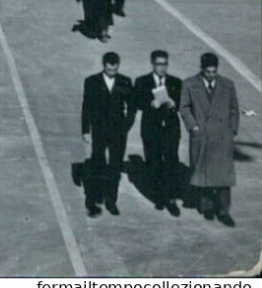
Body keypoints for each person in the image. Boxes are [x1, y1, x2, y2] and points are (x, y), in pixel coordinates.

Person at [179, 52, 240, 226]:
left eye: (214, 72)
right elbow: (184, 107)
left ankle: (223, 211)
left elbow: (234, 110)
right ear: (202, 69)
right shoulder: (190, 84)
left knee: (223, 177)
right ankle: (206, 207)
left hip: (222, 137)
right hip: (202, 135)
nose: (211, 75)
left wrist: (232, 131)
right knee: (203, 174)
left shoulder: (228, 85)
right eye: (208, 72)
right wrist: (194, 127)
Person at [80, 51, 136, 217]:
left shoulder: (125, 81)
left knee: (115, 166)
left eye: (115, 69)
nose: (113, 72)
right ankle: (96, 196)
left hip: (119, 131)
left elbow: (132, 107)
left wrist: (126, 125)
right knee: (98, 163)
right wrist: (85, 130)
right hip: (99, 130)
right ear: (104, 66)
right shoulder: (92, 82)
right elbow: (86, 107)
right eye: (110, 69)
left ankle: (111, 200)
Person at [133, 50, 184, 216]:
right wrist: (150, 104)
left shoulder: (176, 82)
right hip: (151, 128)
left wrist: (174, 103)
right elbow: (136, 102)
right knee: (153, 162)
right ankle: (158, 196)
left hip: (170, 128)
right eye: (159, 64)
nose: (162, 67)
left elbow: (184, 104)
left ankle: (171, 199)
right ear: (153, 64)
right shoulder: (142, 82)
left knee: (171, 161)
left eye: (165, 64)